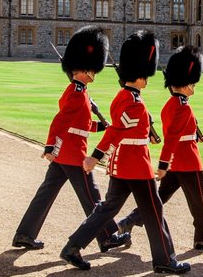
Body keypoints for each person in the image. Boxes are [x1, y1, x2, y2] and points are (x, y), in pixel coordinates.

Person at [60, 30, 189, 274]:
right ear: (140, 76)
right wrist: (95, 156)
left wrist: (146, 133)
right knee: (154, 210)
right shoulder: (134, 101)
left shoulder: (126, 97)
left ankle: (73, 246)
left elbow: (126, 128)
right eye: (145, 76)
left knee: (107, 209)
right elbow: (116, 130)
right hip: (136, 166)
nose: (147, 80)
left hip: (122, 165)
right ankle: (165, 260)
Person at [12, 25, 129, 253]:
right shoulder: (77, 93)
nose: (95, 74)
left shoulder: (79, 91)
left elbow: (79, 125)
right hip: (73, 154)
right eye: (93, 70)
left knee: (45, 195)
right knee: (93, 196)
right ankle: (107, 236)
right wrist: (50, 146)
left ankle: (25, 234)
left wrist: (101, 126)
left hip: (65, 154)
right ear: (85, 69)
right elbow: (61, 122)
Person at [115, 46, 203, 251]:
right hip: (189, 161)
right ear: (184, 85)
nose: (194, 87)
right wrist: (163, 163)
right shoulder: (183, 106)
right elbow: (173, 137)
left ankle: (129, 221)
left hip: (175, 162)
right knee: (200, 203)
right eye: (192, 83)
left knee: (158, 199)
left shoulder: (170, 104)